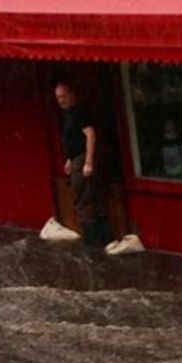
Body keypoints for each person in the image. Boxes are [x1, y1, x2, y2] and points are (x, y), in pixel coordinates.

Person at [55, 82, 107, 246]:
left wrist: (88, 162)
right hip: (76, 159)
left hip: (82, 160)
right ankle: (99, 238)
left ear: (71, 95)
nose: (61, 100)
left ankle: (94, 241)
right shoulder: (67, 114)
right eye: (58, 97)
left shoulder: (79, 112)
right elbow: (74, 139)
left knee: (83, 200)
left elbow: (90, 136)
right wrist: (69, 159)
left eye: (63, 96)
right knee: (88, 199)